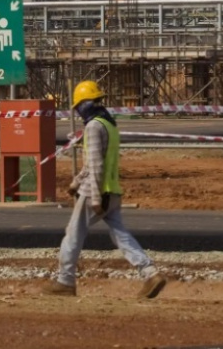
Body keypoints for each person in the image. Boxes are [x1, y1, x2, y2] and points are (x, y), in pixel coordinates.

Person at [46, 80, 166, 298]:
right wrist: (76, 181)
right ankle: (150, 273)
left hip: (98, 191)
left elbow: (96, 165)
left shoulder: (93, 127)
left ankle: (65, 281)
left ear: (83, 104)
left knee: (73, 234)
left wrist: (94, 196)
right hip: (113, 191)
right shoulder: (109, 124)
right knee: (120, 234)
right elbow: (94, 162)